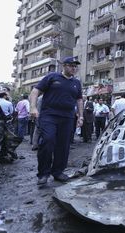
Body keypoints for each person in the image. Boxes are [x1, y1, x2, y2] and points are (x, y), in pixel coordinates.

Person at [29, 56, 83, 185]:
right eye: (71, 65)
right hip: (49, 116)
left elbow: (79, 100)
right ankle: (43, 174)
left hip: (68, 118)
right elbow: (35, 91)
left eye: (75, 66)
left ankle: (58, 172)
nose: (74, 68)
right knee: (48, 140)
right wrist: (33, 107)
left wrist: (80, 116)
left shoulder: (76, 83)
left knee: (63, 146)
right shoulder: (52, 77)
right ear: (64, 66)